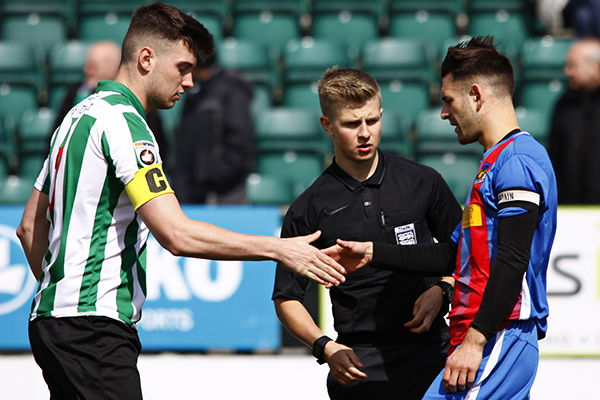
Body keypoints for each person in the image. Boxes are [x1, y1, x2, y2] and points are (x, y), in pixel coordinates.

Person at [16, 3, 348, 399]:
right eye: (183, 67)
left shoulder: (75, 117)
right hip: (94, 329)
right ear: (146, 58)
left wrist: (64, 297)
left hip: (52, 322)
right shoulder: (126, 123)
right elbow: (175, 233)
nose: (190, 81)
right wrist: (279, 249)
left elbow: (28, 227)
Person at [324, 36, 558, 399]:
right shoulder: (496, 163)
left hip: (498, 336)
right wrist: (374, 251)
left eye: (449, 101)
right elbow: (450, 254)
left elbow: (513, 260)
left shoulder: (517, 162)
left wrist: (476, 341)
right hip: (488, 334)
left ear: (476, 95)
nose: (444, 114)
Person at [271, 67, 463, 400]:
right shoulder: (309, 207)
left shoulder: (423, 181)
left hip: (434, 353)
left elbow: (467, 255)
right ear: (327, 126)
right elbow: (287, 297)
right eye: (351, 124)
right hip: (359, 364)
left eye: (372, 121)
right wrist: (325, 347)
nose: (365, 133)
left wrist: (442, 291)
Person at [51, 40, 169, 157]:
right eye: (87, 66)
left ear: (114, 68)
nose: (87, 71)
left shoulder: (137, 101)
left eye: (93, 67)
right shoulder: (75, 94)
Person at [173, 53, 254, 204]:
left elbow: (240, 141)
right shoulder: (194, 94)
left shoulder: (232, 91)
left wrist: (212, 176)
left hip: (224, 194)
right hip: (192, 192)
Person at [549, 37, 600, 204]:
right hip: (569, 210)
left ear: (596, 68)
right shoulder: (563, 104)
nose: (567, 72)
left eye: (573, 65)